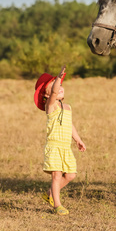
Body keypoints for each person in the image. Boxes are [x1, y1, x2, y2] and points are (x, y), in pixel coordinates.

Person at [34, 66, 86, 215]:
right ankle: (57, 205)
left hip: (65, 147)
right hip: (54, 146)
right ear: (46, 94)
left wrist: (78, 139)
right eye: (55, 86)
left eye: (61, 84)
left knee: (70, 175)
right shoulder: (49, 106)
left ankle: (50, 193)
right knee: (56, 175)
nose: (60, 87)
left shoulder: (67, 107)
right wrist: (58, 78)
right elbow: (54, 93)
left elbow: (70, 125)